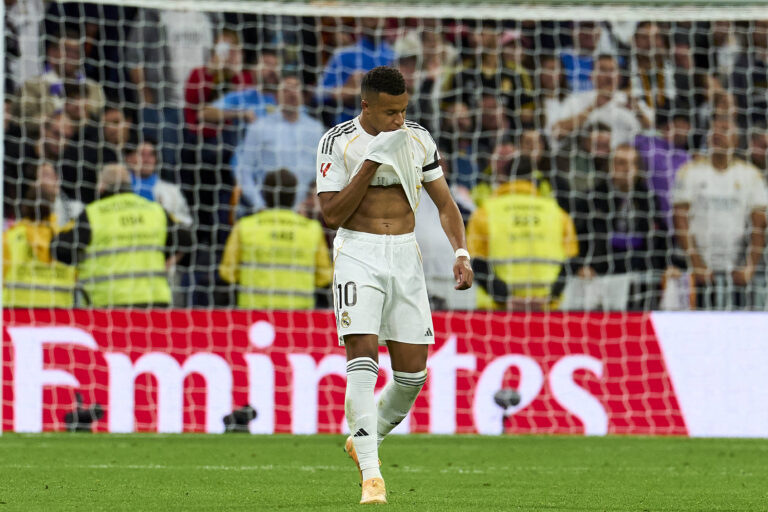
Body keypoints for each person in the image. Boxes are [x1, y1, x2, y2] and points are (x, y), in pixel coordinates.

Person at [315, 66, 472, 504]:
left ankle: (363, 439)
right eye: (389, 113)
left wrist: (461, 252)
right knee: (363, 362)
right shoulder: (337, 141)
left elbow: (445, 204)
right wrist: (372, 160)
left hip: (405, 255)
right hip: (358, 254)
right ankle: (372, 476)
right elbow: (331, 215)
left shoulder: (418, 138)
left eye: (404, 111)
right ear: (366, 105)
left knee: (411, 378)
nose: (398, 121)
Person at [51, 164, 192, 307]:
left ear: (101, 186)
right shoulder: (155, 210)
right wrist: (168, 262)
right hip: (155, 301)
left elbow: (59, 249)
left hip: (109, 303)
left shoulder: (93, 214)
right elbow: (188, 240)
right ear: (130, 184)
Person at [563, 145, 680, 310]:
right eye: (621, 163)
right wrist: (580, 265)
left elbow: (661, 236)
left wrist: (669, 264)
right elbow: (578, 237)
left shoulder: (649, 198)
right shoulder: (592, 198)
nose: (627, 169)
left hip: (640, 272)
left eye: (633, 163)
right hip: (602, 272)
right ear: (610, 167)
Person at [466, 137, 578, 311]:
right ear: (534, 179)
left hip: (498, 310)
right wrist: (550, 296)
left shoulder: (484, 212)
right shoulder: (558, 214)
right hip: (547, 310)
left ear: (506, 179)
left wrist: (505, 297)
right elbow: (571, 262)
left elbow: (476, 262)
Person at [673, 115, 768, 309]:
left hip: (735, 269)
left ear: (736, 139)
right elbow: (680, 219)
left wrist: (749, 266)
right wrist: (696, 262)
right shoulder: (690, 171)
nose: (717, 134)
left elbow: (759, 225)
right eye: (714, 130)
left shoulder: (751, 175)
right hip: (696, 269)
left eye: (724, 130)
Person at [219, 169, 332, 308]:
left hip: (253, 314)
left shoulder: (245, 226)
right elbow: (324, 277)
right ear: (294, 195)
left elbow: (227, 273)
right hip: (299, 315)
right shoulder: (312, 229)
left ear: (265, 194)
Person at [233, 74, 326, 211]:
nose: (292, 94)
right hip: (266, 208)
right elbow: (244, 170)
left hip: (304, 210)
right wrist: (259, 204)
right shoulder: (259, 127)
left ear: (302, 95)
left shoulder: (316, 129)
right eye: (286, 90)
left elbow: (323, 171)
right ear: (276, 97)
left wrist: (313, 198)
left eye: (295, 88)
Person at [3, 175, 76, 308]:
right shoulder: (66, 235)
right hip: (59, 310)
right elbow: (76, 273)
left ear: (25, 205)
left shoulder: (10, 236)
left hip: (18, 311)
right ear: (52, 205)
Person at [124, 137, 193, 226]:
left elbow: (185, 222)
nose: (147, 160)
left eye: (151, 155)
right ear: (128, 158)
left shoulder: (172, 191)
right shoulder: (118, 188)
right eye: (141, 154)